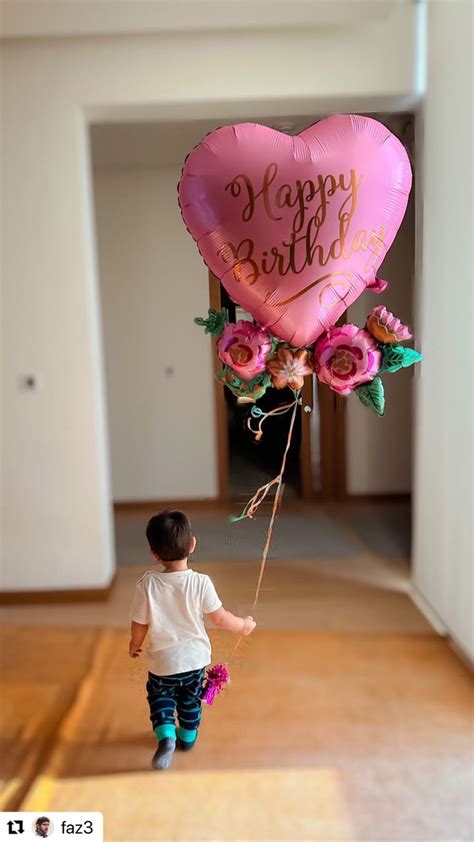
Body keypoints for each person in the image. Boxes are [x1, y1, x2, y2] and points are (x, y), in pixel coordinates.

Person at [128, 509, 256, 771]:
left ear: (153, 553)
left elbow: (139, 622)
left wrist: (135, 643)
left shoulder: (147, 584)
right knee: (190, 700)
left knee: (160, 698)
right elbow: (220, 618)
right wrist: (243, 625)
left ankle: (166, 737)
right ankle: (187, 737)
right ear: (192, 545)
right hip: (194, 661)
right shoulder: (201, 583)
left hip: (162, 664)